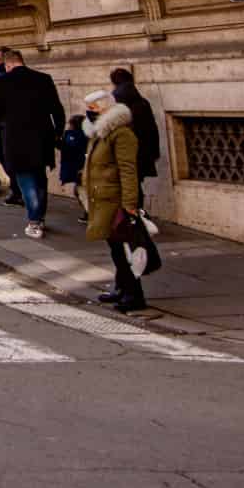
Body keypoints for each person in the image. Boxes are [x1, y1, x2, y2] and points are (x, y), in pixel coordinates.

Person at [0, 47, 64, 239]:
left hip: (16, 138)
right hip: (43, 137)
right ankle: (39, 218)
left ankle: (34, 222)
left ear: (8, 64)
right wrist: (58, 132)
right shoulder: (43, 79)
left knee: (25, 180)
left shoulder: (2, 81)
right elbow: (57, 109)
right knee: (40, 178)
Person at [83, 87, 146, 312]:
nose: (89, 113)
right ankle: (122, 288)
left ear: (104, 109)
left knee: (125, 251)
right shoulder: (101, 133)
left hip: (116, 201)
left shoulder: (121, 134)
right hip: (103, 199)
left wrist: (130, 204)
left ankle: (134, 294)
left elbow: (128, 170)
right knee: (116, 249)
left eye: (93, 108)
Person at [108, 68, 161, 212]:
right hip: (143, 150)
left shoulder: (115, 100)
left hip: (124, 150)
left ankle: (132, 216)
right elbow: (152, 128)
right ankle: (138, 212)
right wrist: (155, 152)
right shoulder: (142, 101)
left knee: (124, 184)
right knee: (135, 182)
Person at [0, 58, 20, 206]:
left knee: (7, 157)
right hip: (2, 124)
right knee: (4, 157)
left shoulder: (1, 78)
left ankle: (18, 190)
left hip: (6, 125)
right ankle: (17, 189)